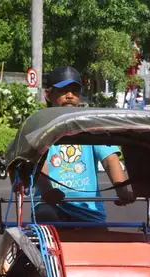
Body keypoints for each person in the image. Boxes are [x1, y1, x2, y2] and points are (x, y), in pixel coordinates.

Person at [34, 66, 135, 222]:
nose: (69, 96)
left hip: (90, 210)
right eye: (63, 91)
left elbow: (109, 160)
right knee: (45, 216)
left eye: (74, 91)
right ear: (48, 95)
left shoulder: (92, 126)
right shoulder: (40, 126)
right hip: (51, 206)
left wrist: (122, 189)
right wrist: (47, 190)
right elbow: (37, 160)